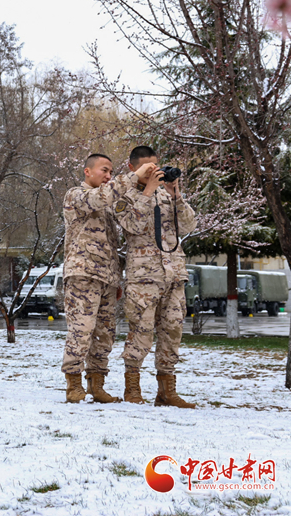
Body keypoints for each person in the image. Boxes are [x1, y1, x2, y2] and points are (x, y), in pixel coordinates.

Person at [61, 154, 155, 403]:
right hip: (82, 274)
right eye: (104, 170)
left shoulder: (111, 202)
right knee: (81, 331)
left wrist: (148, 189)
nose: (108, 175)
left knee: (105, 334)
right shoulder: (76, 195)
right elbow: (100, 196)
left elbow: (133, 224)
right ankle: (73, 384)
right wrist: (134, 176)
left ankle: (96, 384)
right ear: (87, 172)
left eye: (111, 172)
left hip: (107, 278)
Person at [115, 145, 197, 408]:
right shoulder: (123, 195)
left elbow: (187, 226)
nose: (154, 172)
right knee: (141, 332)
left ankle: (166, 392)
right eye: (147, 167)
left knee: (172, 331)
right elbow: (132, 225)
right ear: (132, 167)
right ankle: (133, 389)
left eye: (156, 166)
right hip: (144, 279)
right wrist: (147, 191)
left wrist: (175, 194)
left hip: (173, 274)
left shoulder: (166, 195)